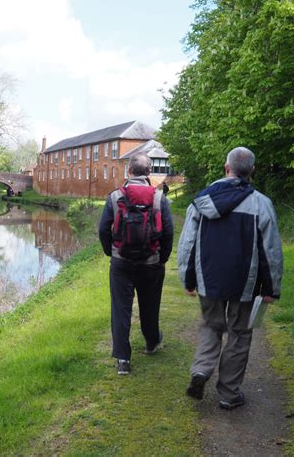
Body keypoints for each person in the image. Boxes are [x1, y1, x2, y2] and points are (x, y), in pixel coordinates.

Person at [178, 147, 283, 410]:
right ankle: (228, 393)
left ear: (226, 168)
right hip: (244, 284)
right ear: (252, 171)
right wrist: (271, 288)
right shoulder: (261, 204)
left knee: (211, 326)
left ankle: (201, 371)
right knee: (239, 333)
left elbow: (187, 243)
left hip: (208, 280)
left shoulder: (202, 200)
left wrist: (188, 278)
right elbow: (270, 251)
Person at [99, 152, 174, 375]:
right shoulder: (159, 198)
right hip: (151, 262)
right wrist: (163, 258)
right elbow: (168, 232)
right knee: (150, 305)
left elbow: (103, 229)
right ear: (148, 173)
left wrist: (110, 252)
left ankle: (123, 359)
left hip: (121, 262)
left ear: (129, 171)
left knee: (120, 309)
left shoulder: (114, 197)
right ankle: (151, 342)